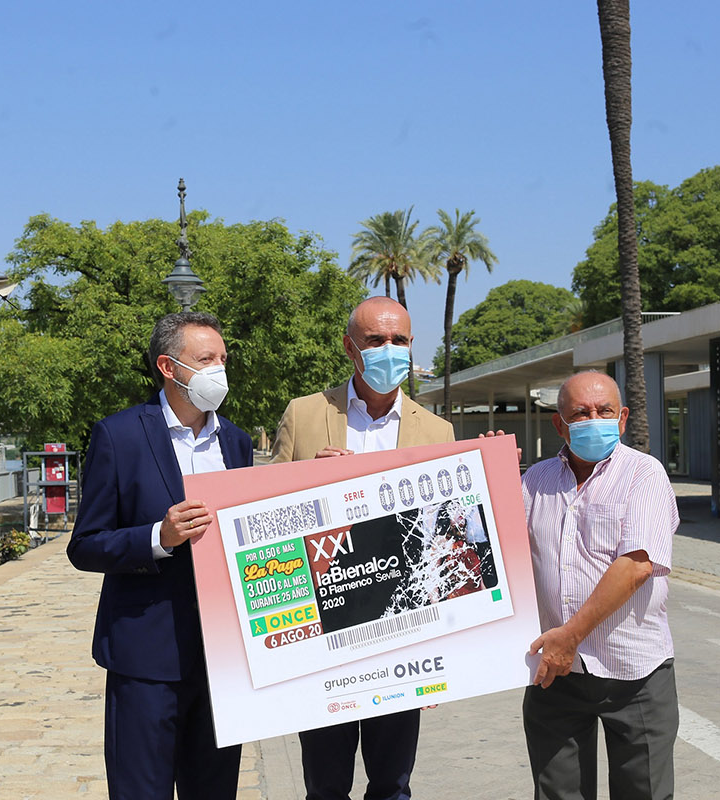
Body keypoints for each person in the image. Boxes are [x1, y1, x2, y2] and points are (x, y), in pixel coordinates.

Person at [272, 296, 454, 800]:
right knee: (325, 784)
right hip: (321, 629)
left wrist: (443, 656)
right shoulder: (305, 414)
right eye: (375, 340)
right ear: (350, 347)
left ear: (412, 346)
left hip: (400, 630)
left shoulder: (437, 431)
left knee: (393, 783)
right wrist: (308, 482)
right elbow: (262, 515)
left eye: (398, 341)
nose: (388, 350)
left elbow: (443, 541)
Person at [67, 311, 252, 800]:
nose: (220, 369)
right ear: (169, 367)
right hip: (145, 658)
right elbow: (85, 545)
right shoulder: (119, 435)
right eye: (206, 359)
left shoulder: (237, 441)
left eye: (223, 359)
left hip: (221, 662)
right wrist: (157, 537)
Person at [521, 370, 679, 800]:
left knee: (643, 793)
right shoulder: (534, 481)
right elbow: (493, 552)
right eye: (580, 413)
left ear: (623, 418)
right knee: (557, 793)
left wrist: (569, 637)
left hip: (634, 671)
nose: (594, 419)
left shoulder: (644, 474)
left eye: (604, 411)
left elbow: (636, 566)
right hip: (556, 674)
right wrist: (488, 472)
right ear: (559, 424)